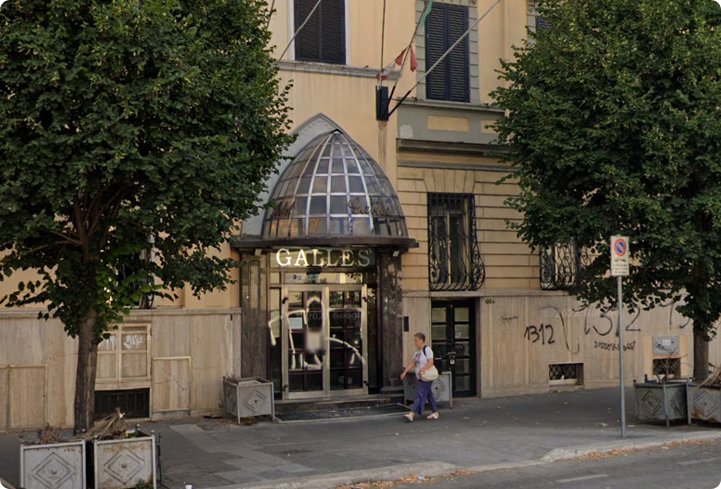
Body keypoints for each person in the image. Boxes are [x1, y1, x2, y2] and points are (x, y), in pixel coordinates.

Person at [400, 332, 439, 421]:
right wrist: (405, 372)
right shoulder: (417, 352)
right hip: (421, 377)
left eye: (416, 341)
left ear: (422, 340)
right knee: (429, 394)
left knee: (419, 393)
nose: (415, 343)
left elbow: (431, 362)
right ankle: (435, 412)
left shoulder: (427, 349)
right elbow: (413, 363)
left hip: (426, 376)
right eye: (414, 341)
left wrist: (423, 369)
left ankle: (412, 413)